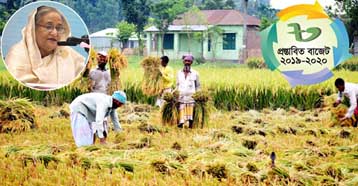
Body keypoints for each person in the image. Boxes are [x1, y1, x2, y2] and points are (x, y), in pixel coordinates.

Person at [5, 6, 85, 87]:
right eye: (48, 27)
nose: (55, 33)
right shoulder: (17, 55)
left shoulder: (70, 55)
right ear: (33, 28)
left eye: (59, 28)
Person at [176, 54, 200, 128]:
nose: (187, 62)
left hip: (191, 97)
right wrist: (174, 93)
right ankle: (180, 125)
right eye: (185, 60)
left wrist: (198, 95)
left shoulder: (195, 73)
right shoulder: (179, 73)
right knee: (180, 111)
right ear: (183, 61)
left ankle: (190, 126)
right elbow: (177, 84)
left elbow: (198, 86)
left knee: (191, 113)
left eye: (189, 61)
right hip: (181, 97)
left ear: (191, 62)